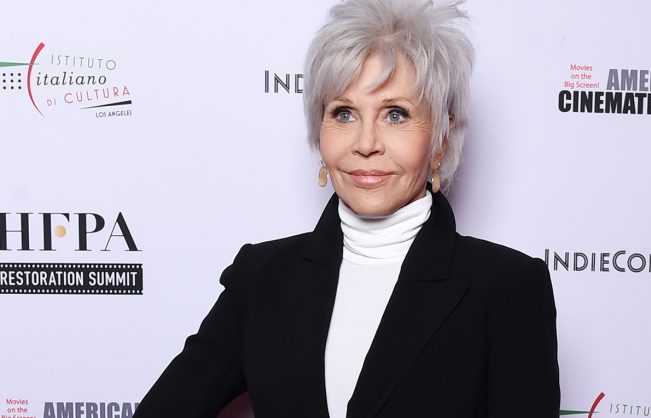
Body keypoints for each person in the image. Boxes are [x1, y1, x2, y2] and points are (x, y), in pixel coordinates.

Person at [133, 0, 559, 417]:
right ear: (319, 131)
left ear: (440, 139)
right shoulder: (260, 277)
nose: (366, 143)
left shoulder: (509, 288)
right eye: (344, 114)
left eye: (395, 114)